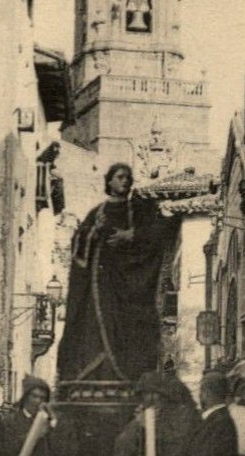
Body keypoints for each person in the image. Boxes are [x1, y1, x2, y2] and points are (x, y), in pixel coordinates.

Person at [57, 163, 175, 384]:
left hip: (131, 283)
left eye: (128, 177)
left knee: (129, 328)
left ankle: (128, 376)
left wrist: (131, 235)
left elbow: (157, 235)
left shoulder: (140, 211)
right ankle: (99, 376)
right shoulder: (97, 213)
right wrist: (93, 233)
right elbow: (79, 249)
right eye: (120, 177)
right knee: (99, 326)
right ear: (109, 181)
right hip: (102, 283)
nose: (125, 181)